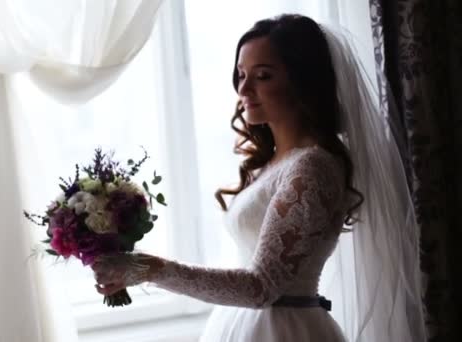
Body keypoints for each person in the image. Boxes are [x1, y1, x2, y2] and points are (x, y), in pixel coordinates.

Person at [92, 13, 425, 342]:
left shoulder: (312, 166)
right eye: (241, 74)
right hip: (246, 324)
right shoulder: (272, 163)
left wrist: (150, 269)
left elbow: (261, 287)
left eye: (263, 76)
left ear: (302, 81)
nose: (244, 88)